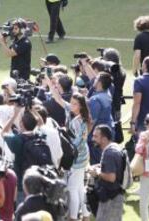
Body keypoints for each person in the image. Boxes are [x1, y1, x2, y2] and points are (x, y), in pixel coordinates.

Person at [46, 76, 90, 220]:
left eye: (75, 104)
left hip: (77, 157)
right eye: (71, 102)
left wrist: (68, 150)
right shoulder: (71, 111)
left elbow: (79, 141)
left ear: (81, 106)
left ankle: (73, 217)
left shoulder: (79, 122)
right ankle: (86, 214)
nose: (71, 105)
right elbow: (57, 98)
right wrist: (50, 81)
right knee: (78, 187)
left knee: (73, 189)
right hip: (80, 156)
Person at [89, 125, 124, 221]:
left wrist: (97, 172)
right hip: (116, 195)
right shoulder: (114, 147)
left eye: (95, 136)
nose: (92, 139)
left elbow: (111, 177)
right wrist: (98, 166)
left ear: (104, 139)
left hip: (111, 198)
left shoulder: (109, 154)